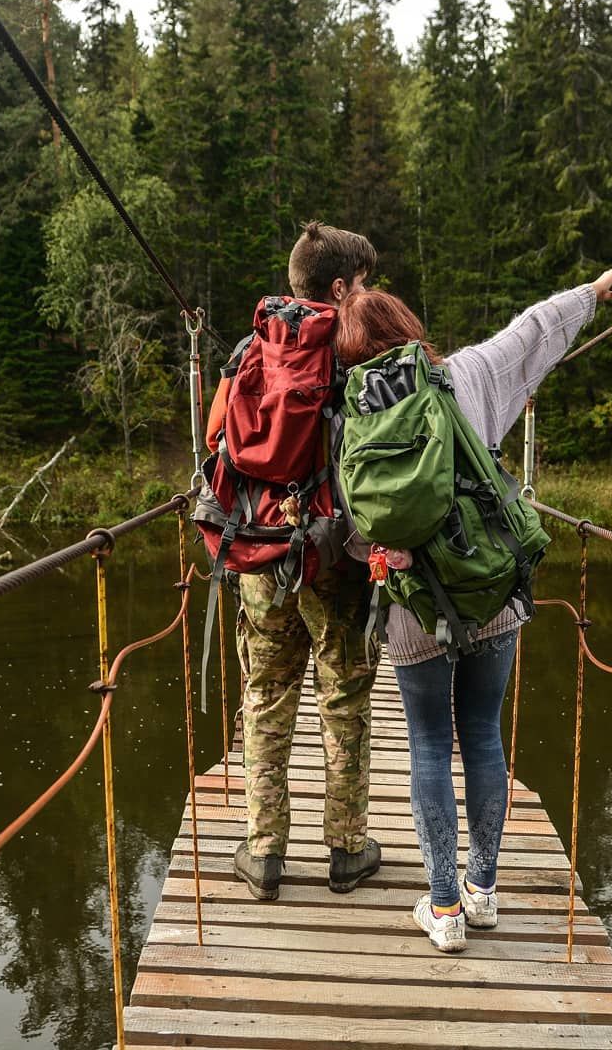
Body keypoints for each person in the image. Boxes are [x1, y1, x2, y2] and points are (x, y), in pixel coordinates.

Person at [333, 266, 612, 950]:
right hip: (493, 590)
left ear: (351, 357)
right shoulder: (468, 373)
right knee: (485, 736)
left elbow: (354, 527)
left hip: (413, 610)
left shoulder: (349, 416)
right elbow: (533, 332)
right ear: (410, 332)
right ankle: (485, 892)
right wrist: (591, 292)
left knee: (430, 745)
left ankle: (442, 910)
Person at [232, 222, 384, 901]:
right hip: (333, 557)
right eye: (365, 282)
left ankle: (264, 854)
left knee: (266, 696)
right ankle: (347, 849)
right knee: (343, 696)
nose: (371, 294)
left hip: (263, 551)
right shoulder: (358, 358)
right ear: (340, 287)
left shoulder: (251, 349)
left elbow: (218, 444)